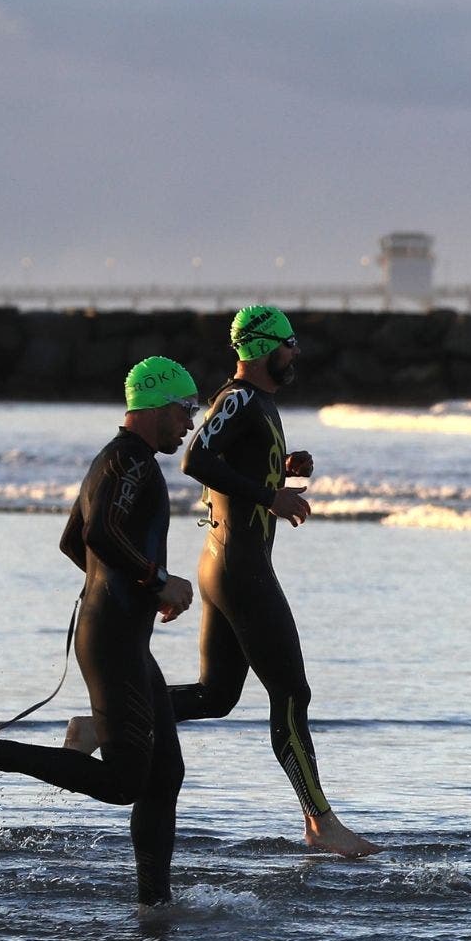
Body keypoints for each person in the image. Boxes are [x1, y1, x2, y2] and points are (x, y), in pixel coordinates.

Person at [0, 357, 202, 907]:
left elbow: (72, 539)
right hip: (111, 639)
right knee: (127, 783)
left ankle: (155, 903)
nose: (189, 424)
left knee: (165, 773)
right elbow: (99, 533)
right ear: (157, 406)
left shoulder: (120, 461)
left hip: (119, 632)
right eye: (184, 411)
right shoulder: (129, 463)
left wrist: (136, 592)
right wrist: (156, 580)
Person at [118, 304, 379, 857]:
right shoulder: (238, 398)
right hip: (240, 568)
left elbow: (228, 464)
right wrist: (272, 496)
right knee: (292, 693)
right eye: (288, 343)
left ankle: (104, 721)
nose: (296, 352)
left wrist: (280, 466)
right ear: (262, 348)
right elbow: (196, 459)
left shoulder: (257, 403)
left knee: (217, 696)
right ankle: (321, 823)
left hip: (228, 563)